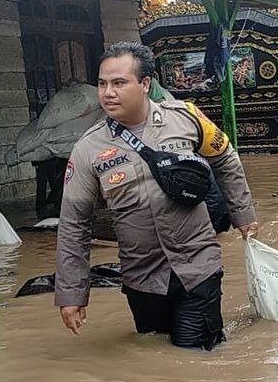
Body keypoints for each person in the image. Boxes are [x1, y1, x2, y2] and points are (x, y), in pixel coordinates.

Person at [55, 41, 259, 350]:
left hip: (198, 266)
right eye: (102, 84)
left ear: (145, 84)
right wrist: (72, 294)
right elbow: (74, 224)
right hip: (143, 277)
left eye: (119, 83)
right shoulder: (88, 149)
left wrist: (244, 216)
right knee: (155, 351)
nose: (108, 92)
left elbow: (226, 159)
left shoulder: (186, 118)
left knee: (195, 354)